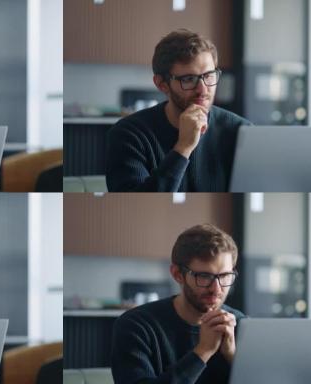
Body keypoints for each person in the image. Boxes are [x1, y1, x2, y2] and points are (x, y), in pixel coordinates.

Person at [106, 29, 252, 192]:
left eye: (209, 75)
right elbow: (134, 206)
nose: (203, 89)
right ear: (161, 84)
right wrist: (183, 148)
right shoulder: (128, 134)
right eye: (189, 79)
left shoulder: (241, 131)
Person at [111, 224, 246, 384]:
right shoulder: (136, 326)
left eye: (224, 276)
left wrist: (234, 358)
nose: (216, 289)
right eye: (204, 276)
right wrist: (202, 352)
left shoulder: (241, 325)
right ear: (177, 274)